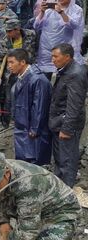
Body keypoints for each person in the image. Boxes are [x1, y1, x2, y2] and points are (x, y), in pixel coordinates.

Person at [0, 152, 81, 240]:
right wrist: (3, 222)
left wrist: (8, 237)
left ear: (7, 174)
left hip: (61, 214)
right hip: (34, 211)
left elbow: (28, 233)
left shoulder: (28, 185)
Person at [49, 43, 88, 187]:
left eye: (56, 56)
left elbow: (75, 104)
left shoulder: (75, 74)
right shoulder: (64, 69)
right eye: (52, 56)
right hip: (59, 121)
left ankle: (67, 189)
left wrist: (67, 129)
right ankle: (59, 186)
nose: (53, 59)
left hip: (67, 124)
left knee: (67, 159)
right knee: (59, 158)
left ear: (67, 57)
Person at [6, 49, 52, 165]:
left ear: (22, 62)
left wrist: (35, 129)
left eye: (12, 62)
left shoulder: (37, 79)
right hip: (22, 126)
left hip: (32, 129)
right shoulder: (21, 76)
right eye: (8, 63)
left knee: (34, 161)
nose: (9, 66)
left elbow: (40, 106)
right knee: (23, 161)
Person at [33, 0, 84, 76]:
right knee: (46, 75)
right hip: (46, 50)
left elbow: (74, 25)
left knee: (64, 76)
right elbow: (36, 26)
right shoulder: (49, 10)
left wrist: (61, 12)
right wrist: (42, 12)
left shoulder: (77, 10)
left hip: (63, 49)